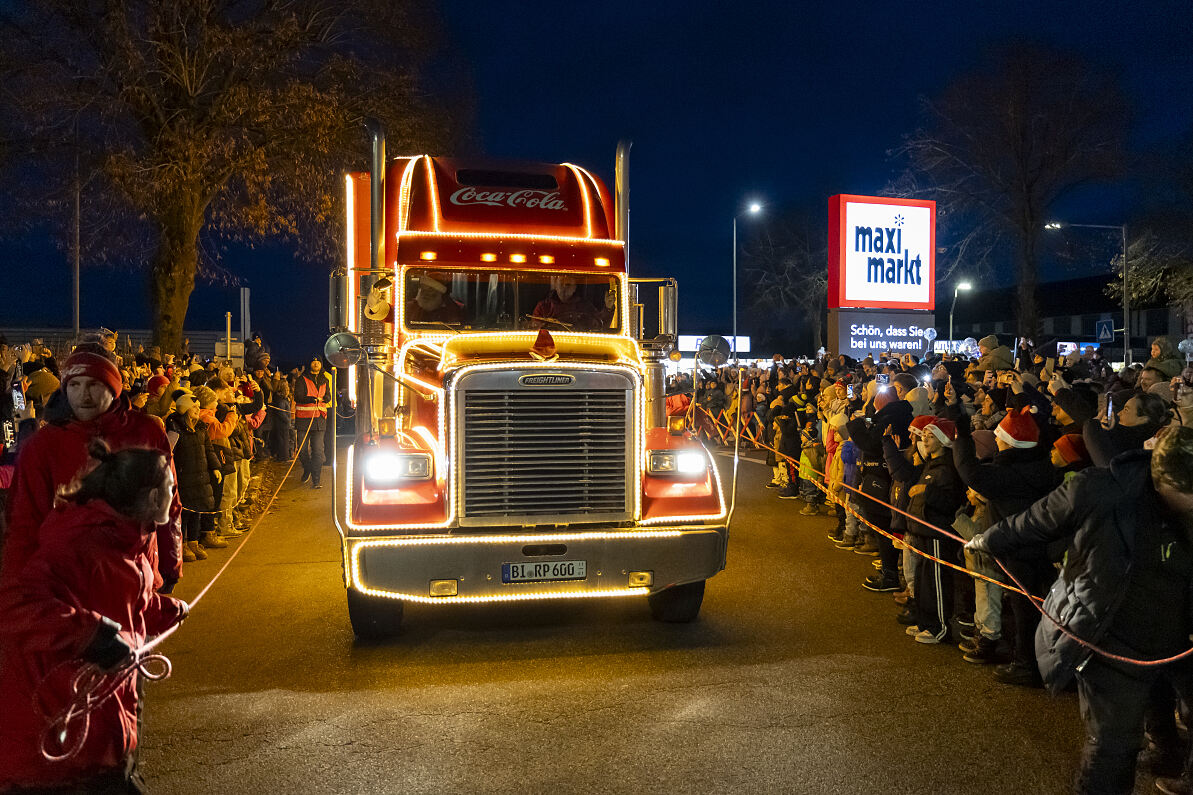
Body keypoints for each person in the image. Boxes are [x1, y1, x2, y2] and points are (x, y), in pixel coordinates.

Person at [968, 426, 1193, 795]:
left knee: (1172, 704)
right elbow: (1036, 520)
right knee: (1113, 744)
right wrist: (988, 540)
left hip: (1181, 635)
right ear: (1164, 478)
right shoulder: (1100, 489)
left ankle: (1170, 755)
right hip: (1113, 636)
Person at [0, 440, 188, 791]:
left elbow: (125, 598)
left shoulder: (127, 542)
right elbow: (14, 604)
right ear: (151, 498)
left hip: (102, 737)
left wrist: (168, 610)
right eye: (171, 488)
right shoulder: (80, 540)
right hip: (57, 756)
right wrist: (87, 635)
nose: (174, 495)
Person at [1, 348, 183, 593]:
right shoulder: (43, 445)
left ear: (113, 387)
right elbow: (24, 520)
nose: (84, 396)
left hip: (135, 579)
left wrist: (172, 564)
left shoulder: (147, 433)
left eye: (95, 384)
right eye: (75, 385)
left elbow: (168, 503)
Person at [294, 356, 332, 488]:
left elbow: (328, 396)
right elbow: (297, 396)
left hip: (319, 421)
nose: (316, 364)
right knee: (302, 450)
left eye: (318, 362)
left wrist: (325, 398)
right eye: (313, 361)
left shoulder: (325, 380)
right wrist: (311, 398)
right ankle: (308, 468)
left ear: (321, 365)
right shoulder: (301, 379)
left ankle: (316, 480)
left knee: (318, 452)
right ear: (309, 363)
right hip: (303, 420)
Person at [531, 276, 614, 332]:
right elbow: (534, 330)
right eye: (561, 283)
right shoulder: (543, 307)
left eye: (568, 284)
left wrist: (608, 308)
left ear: (574, 288)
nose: (564, 287)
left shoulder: (585, 306)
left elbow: (600, 325)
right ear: (555, 286)